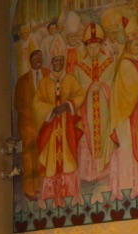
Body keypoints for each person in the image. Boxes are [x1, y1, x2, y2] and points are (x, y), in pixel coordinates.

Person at [105, 16, 138, 199]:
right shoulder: (124, 65)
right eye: (136, 44)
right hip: (127, 119)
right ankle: (129, 187)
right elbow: (129, 92)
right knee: (129, 150)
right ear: (128, 45)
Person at [35, 40, 86, 207]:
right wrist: (51, 109)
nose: (58, 63)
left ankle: (70, 195)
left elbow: (80, 94)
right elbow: (36, 103)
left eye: (61, 60)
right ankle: (52, 197)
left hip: (66, 127)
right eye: (56, 60)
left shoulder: (70, 79)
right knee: (51, 162)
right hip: (51, 128)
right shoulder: (44, 82)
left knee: (68, 159)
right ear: (51, 62)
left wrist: (68, 104)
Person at [73, 22, 114, 181]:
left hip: (104, 109)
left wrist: (103, 86)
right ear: (86, 48)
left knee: (104, 135)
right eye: (90, 47)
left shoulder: (110, 63)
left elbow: (114, 83)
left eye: (96, 46)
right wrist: (89, 87)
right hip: (87, 110)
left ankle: (105, 170)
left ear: (101, 45)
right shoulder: (79, 67)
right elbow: (76, 90)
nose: (93, 50)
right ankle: (90, 173)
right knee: (88, 136)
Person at [14, 49, 48, 200]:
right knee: (29, 158)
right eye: (35, 59)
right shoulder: (22, 81)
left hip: (46, 123)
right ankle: (30, 190)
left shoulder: (48, 74)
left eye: (40, 58)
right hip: (28, 126)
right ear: (30, 61)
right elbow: (18, 104)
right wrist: (31, 113)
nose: (38, 61)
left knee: (45, 155)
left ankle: (44, 187)